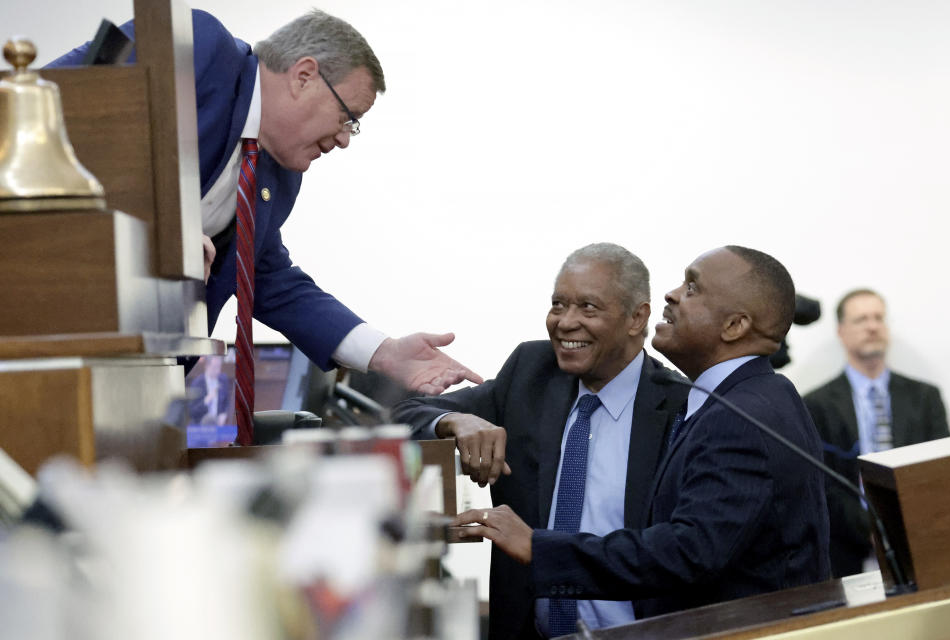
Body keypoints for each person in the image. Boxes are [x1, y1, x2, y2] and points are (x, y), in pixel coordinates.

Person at [49, 9, 480, 396]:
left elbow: (269, 278)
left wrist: (384, 353)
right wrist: (156, 234)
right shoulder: (199, 48)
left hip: (134, 383)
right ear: (304, 76)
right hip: (46, 317)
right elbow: (48, 112)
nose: (346, 139)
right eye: (349, 117)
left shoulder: (279, 175)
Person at [454, 246, 829, 632]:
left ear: (735, 326)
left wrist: (540, 548)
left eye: (693, 287)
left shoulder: (742, 416)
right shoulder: (751, 398)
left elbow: (689, 552)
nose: (672, 294)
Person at [393, 243, 687, 640]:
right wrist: (454, 420)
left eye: (588, 308)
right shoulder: (531, 372)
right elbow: (403, 415)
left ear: (638, 317)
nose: (565, 323)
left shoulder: (679, 405)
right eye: (558, 304)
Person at [803, 288, 950, 578]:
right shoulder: (815, 404)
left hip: (924, 542)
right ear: (842, 332)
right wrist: (872, 529)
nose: (872, 326)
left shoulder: (925, 397)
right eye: (861, 320)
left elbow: (942, 469)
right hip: (847, 554)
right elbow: (820, 483)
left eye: (878, 318)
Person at [187, 355, 230, 425]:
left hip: (219, 426)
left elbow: (226, 402)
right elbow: (191, 411)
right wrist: (206, 401)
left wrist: (224, 414)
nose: (218, 371)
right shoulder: (197, 383)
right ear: (207, 366)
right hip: (200, 426)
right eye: (215, 367)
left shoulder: (223, 379)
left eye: (219, 366)